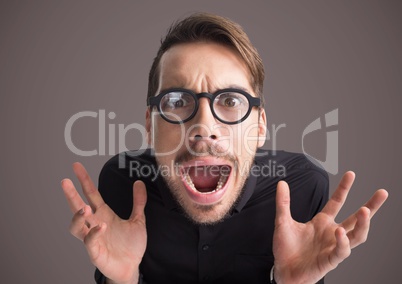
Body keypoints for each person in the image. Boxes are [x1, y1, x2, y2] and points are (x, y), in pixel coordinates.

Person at [61, 13, 388, 284]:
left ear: (260, 127)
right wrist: (123, 280)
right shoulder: (120, 184)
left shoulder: (304, 187)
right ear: (149, 125)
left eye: (231, 101)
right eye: (176, 101)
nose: (203, 128)